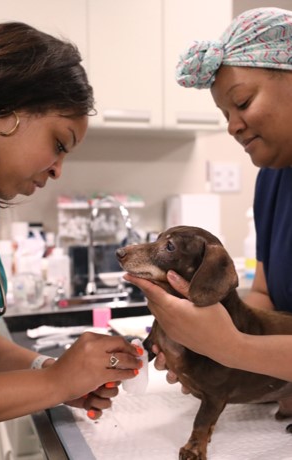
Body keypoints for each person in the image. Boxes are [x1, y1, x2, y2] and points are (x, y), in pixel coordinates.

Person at [0, 21, 143, 427]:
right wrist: (54, 383)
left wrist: (51, 372)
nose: (58, 171)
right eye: (59, 143)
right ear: (6, 112)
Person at [125, 7, 292, 385]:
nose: (232, 126)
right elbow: (265, 297)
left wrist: (231, 348)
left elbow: (238, 343)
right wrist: (200, 347)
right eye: (224, 112)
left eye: (244, 102)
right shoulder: (271, 179)